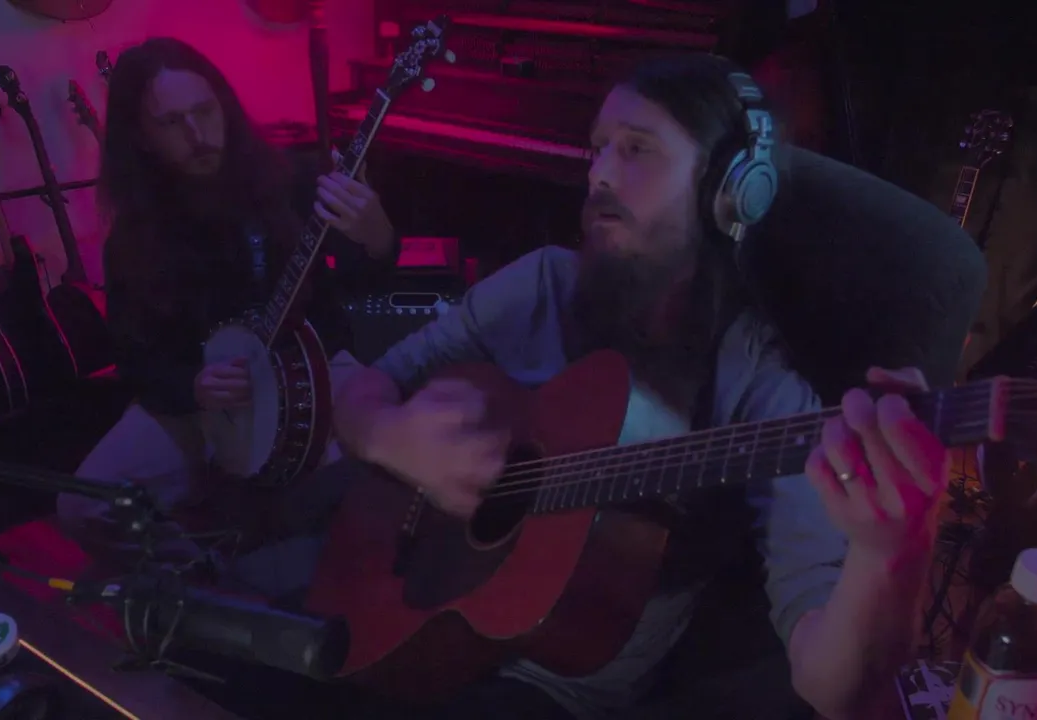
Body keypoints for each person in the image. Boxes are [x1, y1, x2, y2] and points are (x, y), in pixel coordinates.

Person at [331, 54, 948, 720]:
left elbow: (832, 685)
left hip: (552, 690)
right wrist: (390, 437)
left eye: (636, 149)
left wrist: (890, 554)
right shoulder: (543, 284)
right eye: (597, 148)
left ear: (731, 190)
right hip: (407, 612)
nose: (598, 173)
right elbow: (357, 382)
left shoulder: (759, 386)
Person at [56, 37, 395, 587]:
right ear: (141, 138)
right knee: (83, 504)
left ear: (225, 106)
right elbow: (135, 359)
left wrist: (379, 238)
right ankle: (199, 578)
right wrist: (192, 386)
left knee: (375, 474)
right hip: (203, 401)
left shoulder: (290, 181)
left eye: (205, 111)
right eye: (171, 123)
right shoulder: (133, 237)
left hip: (312, 372)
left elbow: (363, 284)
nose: (197, 134)